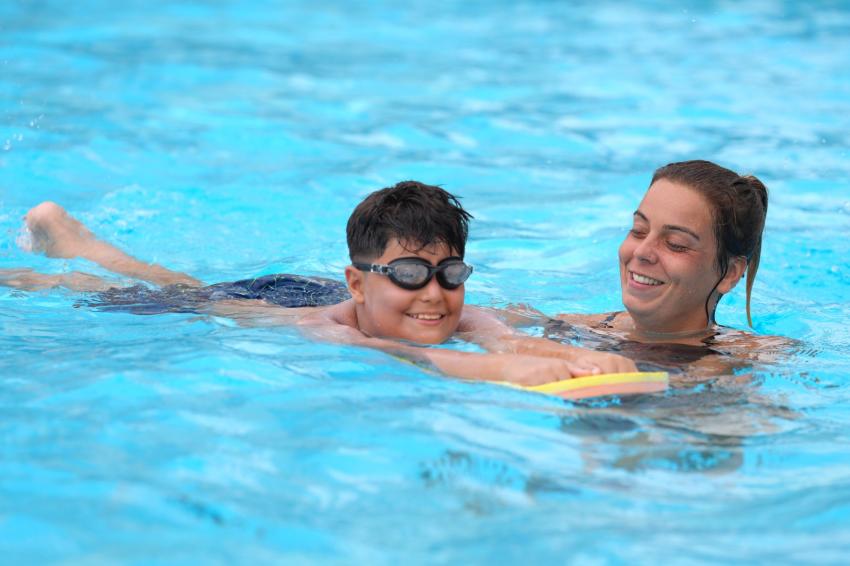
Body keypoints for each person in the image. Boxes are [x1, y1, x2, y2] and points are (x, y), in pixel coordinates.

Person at [1, 181, 637, 388]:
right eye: (411, 275)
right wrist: (510, 374)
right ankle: (66, 252)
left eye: (451, 275)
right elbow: (414, 356)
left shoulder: (452, 311)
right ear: (359, 283)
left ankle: (71, 238)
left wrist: (576, 360)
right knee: (165, 289)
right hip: (264, 300)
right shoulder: (326, 329)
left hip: (325, 286)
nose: (434, 294)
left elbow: (505, 338)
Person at [535, 160, 789, 379]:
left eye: (675, 244)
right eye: (638, 231)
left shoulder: (748, 359)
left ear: (730, 273)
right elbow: (509, 330)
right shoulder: (577, 328)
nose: (641, 252)